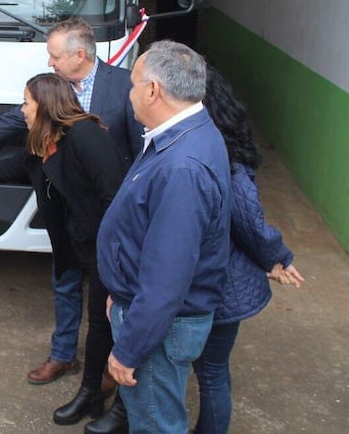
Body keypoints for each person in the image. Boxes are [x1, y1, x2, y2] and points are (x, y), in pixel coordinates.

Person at [0, 18, 142, 396]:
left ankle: (109, 367)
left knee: (108, 302)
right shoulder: (46, 102)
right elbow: (21, 153)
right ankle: (63, 355)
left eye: (54, 55)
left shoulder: (122, 89)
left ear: (80, 55)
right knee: (66, 283)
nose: (50, 62)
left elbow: (139, 156)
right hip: (65, 221)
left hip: (106, 223)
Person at [0, 72, 127, 425]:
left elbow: (115, 199)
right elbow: (17, 165)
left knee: (106, 320)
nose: (22, 109)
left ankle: (108, 396)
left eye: (26, 102)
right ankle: (90, 392)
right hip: (72, 239)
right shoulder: (44, 139)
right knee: (93, 315)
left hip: (107, 245)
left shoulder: (87, 136)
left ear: (44, 106)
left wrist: (114, 258)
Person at [96, 40, 232, 434]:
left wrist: (129, 349)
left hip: (159, 326)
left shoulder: (182, 167)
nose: (130, 93)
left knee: (157, 424)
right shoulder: (185, 133)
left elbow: (166, 280)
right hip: (147, 311)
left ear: (153, 90)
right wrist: (119, 288)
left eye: (134, 84)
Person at [191, 66, 304, 434]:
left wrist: (278, 256)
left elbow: (251, 223)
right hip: (220, 286)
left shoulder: (225, 161)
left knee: (211, 373)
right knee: (211, 371)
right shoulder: (219, 148)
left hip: (220, 288)